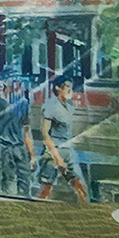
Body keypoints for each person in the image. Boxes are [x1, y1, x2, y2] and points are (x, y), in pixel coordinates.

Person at [35, 75, 89, 203]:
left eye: (72, 88)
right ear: (58, 88)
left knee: (80, 185)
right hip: (53, 152)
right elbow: (45, 134)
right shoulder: (50, 105)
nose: (71, 91)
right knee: (46, 187)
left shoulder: (70, 106)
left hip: (68, 151)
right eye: (67, 87)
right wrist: (57, 157)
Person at [0, 72, 34, 198]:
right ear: (5, 82)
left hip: (19, 147)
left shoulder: (23, 102)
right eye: (13, 80)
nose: (17, 84)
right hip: (2, 146)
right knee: (7, 183)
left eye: (19, 81)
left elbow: (26, 129)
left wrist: (32, 154)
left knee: (25, 183)